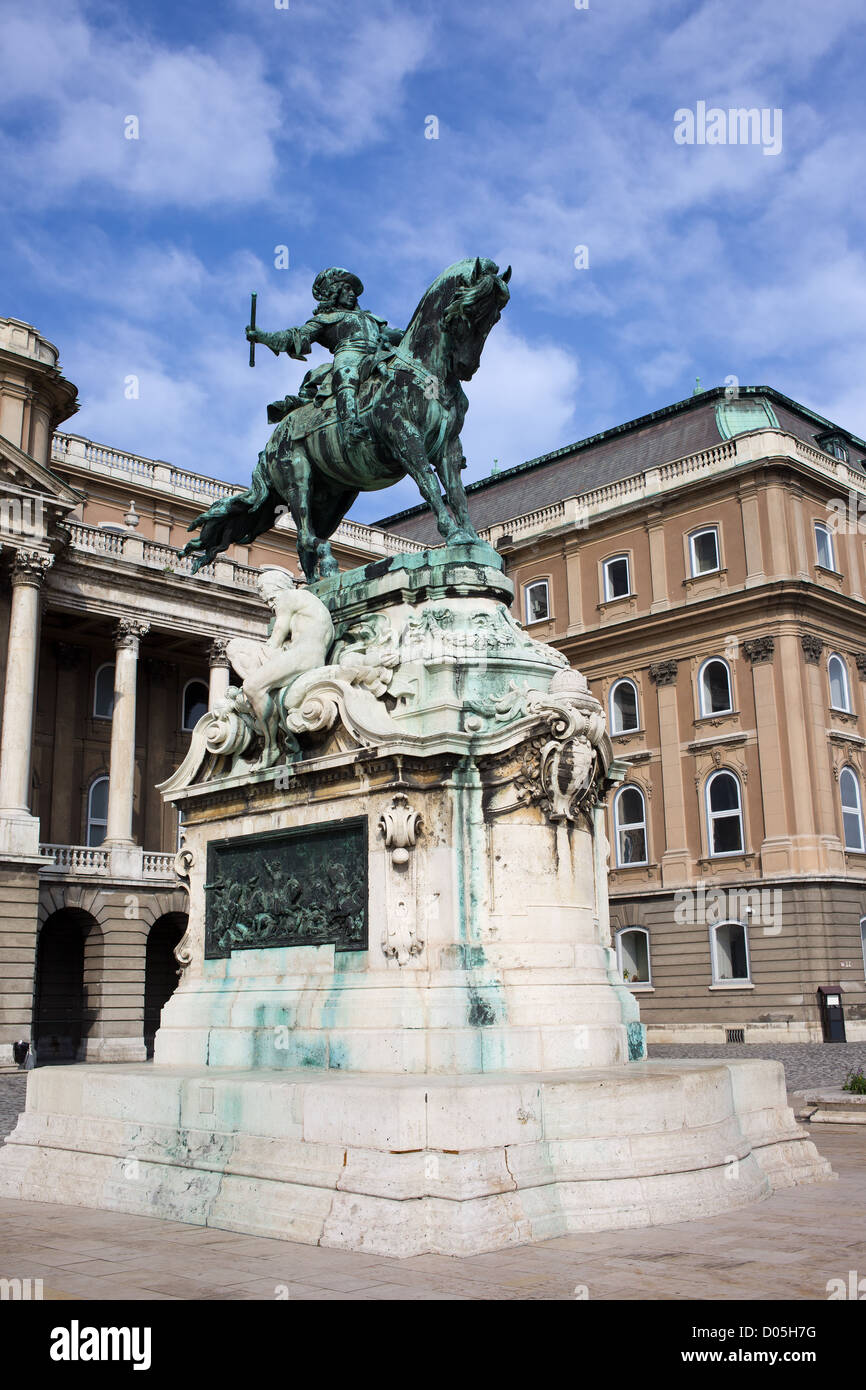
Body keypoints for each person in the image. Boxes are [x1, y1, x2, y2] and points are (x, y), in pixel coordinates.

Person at [246, 267, 403, 446]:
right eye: (346, 289)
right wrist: (263, 336)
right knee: (347, 373)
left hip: (379, 354)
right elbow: (295, 336)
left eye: (353, 290)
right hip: (349, 355)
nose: (352, 294)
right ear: (334, 292)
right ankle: (350, 424)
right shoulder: (326, 319)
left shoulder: (370, 318)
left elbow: (394, 334)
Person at [226, 568, 334, 764]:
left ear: (273, 587)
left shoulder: (287, 597)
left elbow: (276, 637)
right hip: (308, 655)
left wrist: (260, 668)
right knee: (239, 652)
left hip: (302, 656)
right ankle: (258, 698)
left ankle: (271, 746)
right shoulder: (309, 604)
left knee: (250, 682)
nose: (268, 602)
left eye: (265, 593)